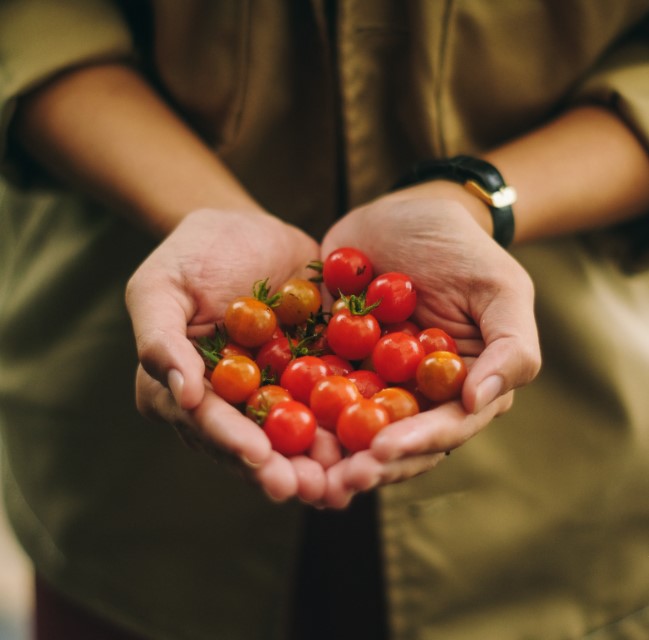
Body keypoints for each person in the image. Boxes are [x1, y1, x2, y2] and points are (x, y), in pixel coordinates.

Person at [1, 1, 649, 638]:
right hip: (131, 493)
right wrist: (201, 209)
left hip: (561, 492)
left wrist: (475, 203)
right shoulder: (307, 342)